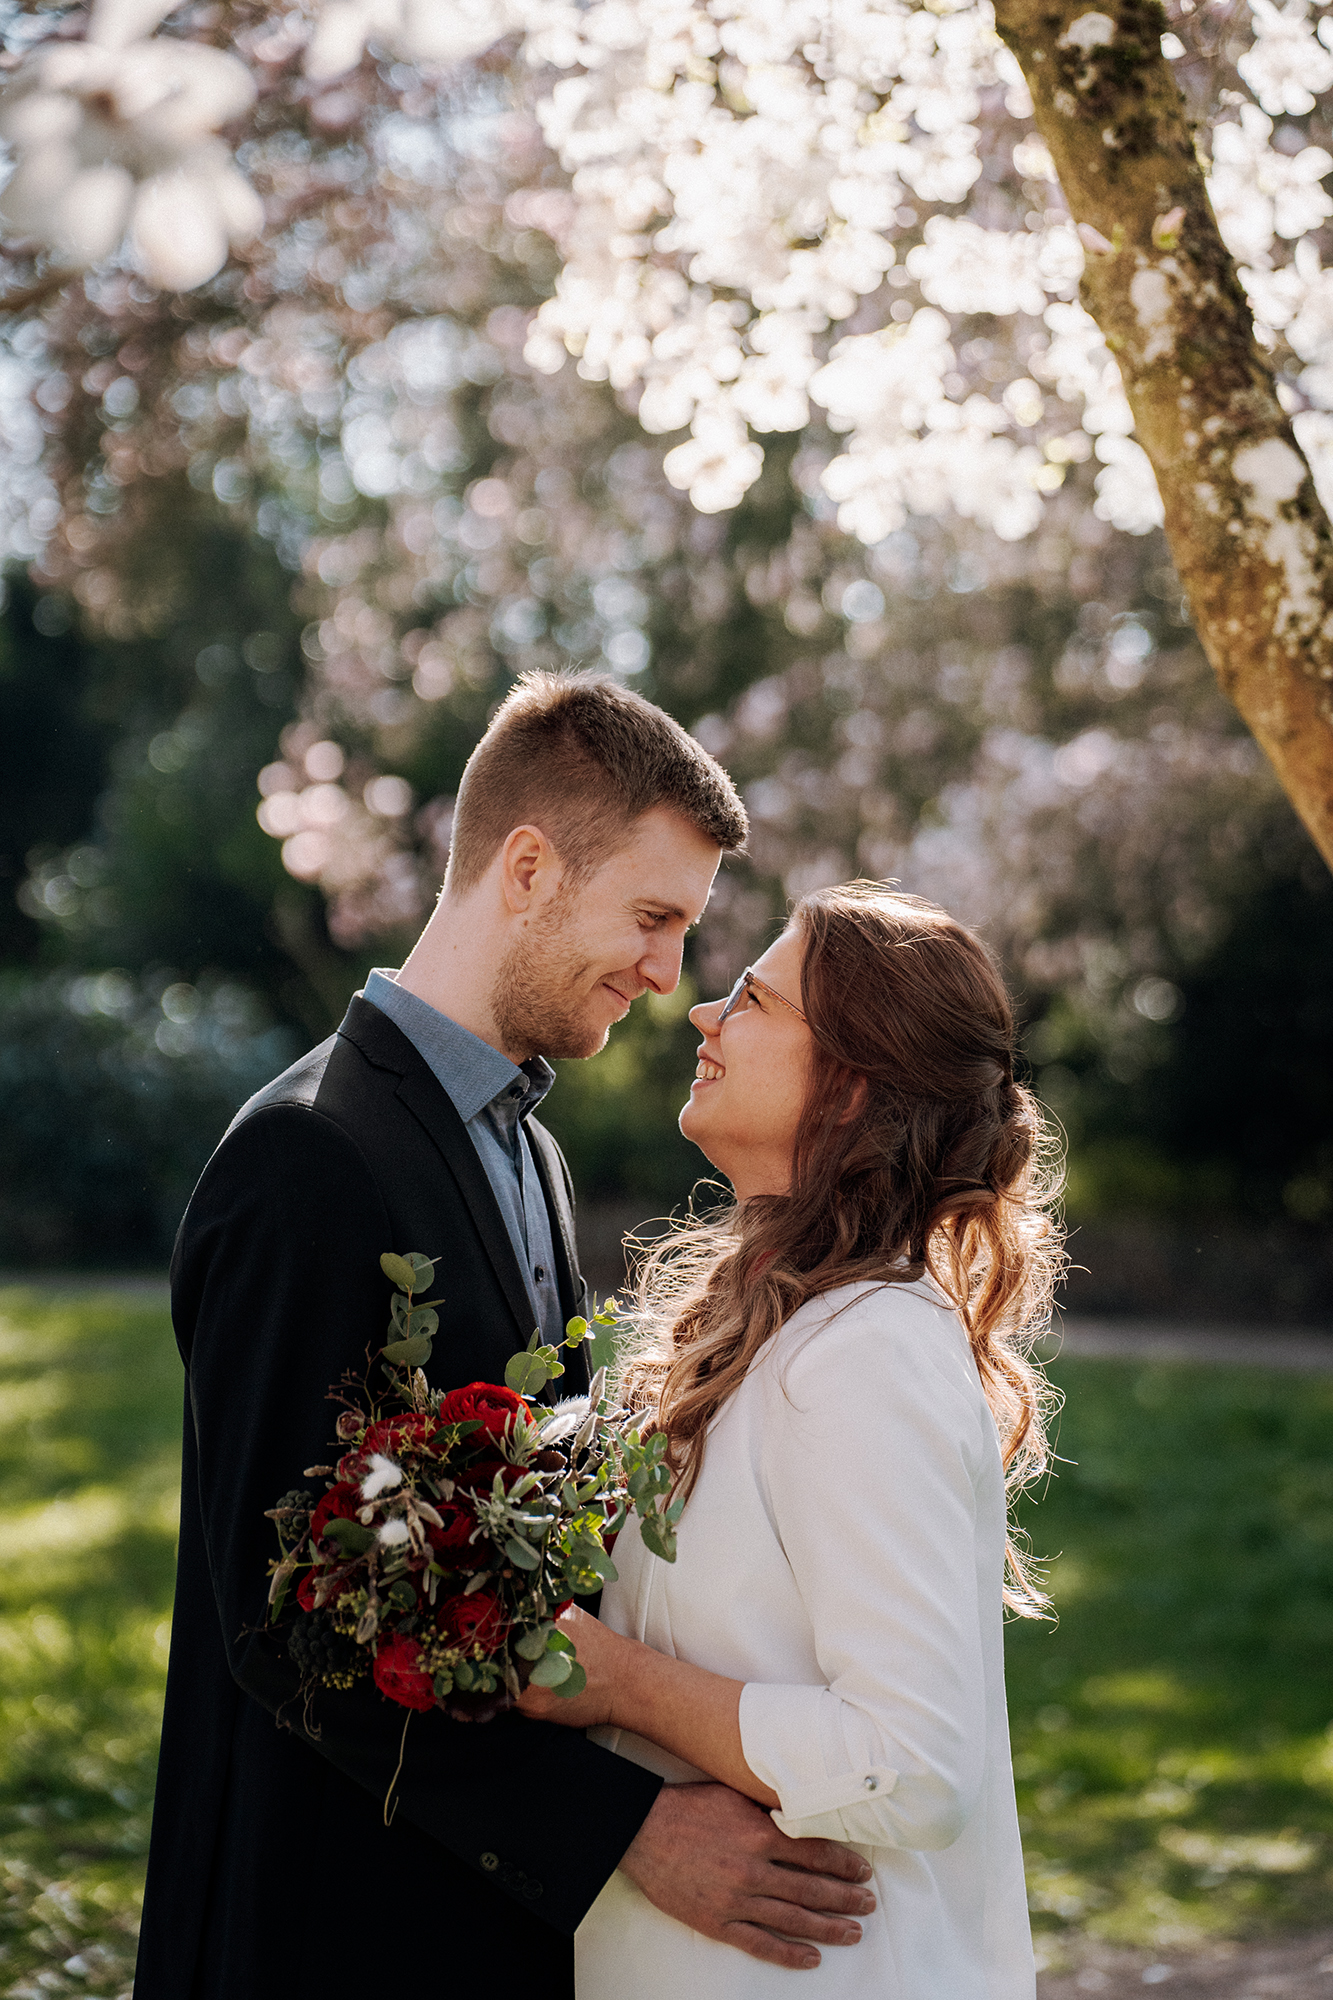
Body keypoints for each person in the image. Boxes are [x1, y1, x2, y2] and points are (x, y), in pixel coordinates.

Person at [135, 673, 876, 1999]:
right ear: (528, 868)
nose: (668, 975)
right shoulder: (306, 1159)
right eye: (653, 917)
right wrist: (618, 1830)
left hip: (477, 1931)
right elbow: (286, 1618)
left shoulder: (529, 1151)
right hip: (324, 1927)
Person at [518, 881, 1063, 1997]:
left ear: (851, 1082)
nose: (699, 1012)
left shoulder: (866, 1354)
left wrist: (619, 1683)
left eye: (753, 1000)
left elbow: (911, 1761)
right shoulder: (780, 1326)